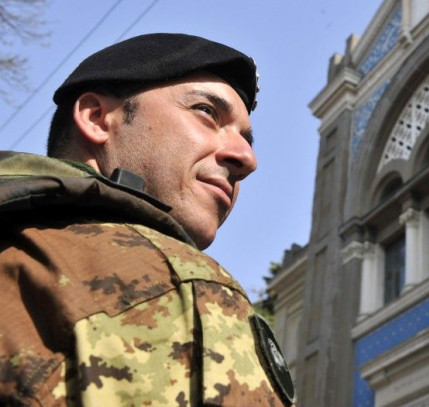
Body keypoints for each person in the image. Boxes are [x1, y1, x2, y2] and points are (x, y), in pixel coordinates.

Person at [0, 33, 296, 406]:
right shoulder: (178, 283)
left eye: (247, 140)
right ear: (96, 118)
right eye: (207, 112)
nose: (246, 159)